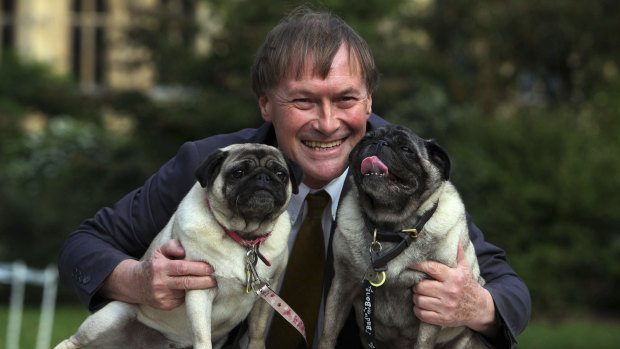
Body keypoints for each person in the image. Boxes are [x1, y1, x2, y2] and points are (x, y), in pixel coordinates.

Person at [58, 7, 530, 348]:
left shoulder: (411, 177)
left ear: (369, 101)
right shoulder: (209, 165)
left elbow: (510, 290)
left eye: (345, 100)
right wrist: (138, 281)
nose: (327, 123)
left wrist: (476, 307)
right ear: (266, 104)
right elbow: (83, 246)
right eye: (304, 101)